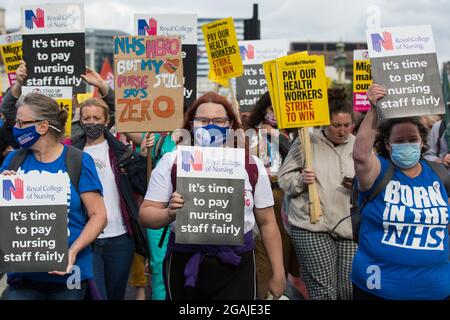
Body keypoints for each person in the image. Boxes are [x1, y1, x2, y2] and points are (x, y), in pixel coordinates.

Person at [139, 92, 286, 300]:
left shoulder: (251, 165)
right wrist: (169, 213)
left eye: (219, 120)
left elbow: (268, 222)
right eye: (203, 120)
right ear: (191, 124)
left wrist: (278, 273)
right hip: (183, 264)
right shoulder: (171, 162)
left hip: (238, 266)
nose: (211, 126)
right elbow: (146, 215)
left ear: (230, 125)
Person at [1, 93, 107, 300]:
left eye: (21, 123)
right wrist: (3, 189)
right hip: (23, 276)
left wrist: (73, 251)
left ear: (42, 127)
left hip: (70, 274)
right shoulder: (14, 160)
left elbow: (99, 215)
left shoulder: (78, 160)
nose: (16, 128)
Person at [351, 84, 450, 300]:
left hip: (436, 289)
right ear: (387, 144)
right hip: (377, 290)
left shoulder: (440, 174)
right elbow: (360, 155)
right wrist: (374, 110)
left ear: (422, 142)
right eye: (399, 141)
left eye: (412, 140)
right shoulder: (379, 172)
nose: (407, 145)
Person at [278, 87, 357, 300]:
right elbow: (284, 180)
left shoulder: (359, 145)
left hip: (348, 228)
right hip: (311, 226)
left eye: (347, 125)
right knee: (324, 293)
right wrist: (301, 181)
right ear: (325, 123)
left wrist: (359, 184)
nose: (342, 131)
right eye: (336, 125)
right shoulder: (306, 141)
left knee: (349, 290)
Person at [74, 97, 151, 300]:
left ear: (107, 121)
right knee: (96, 294)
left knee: (116, 294)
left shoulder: (122, 153)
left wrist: (143, 159)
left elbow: (142, 186)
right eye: (87, 118)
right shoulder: (71, 152)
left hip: (120, 238)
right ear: (80, 121)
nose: (91, 122)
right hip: (86, 238)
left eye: (97, 118)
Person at [246, 92, 299, 299]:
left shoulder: (294, 134)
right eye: (271, 109)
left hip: (284, 196)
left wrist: (278, 138)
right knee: (261, 246)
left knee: (283, 247)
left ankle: (280, 288)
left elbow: (298, 157)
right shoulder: (251, 133)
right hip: (261, 194)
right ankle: (262, 294)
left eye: (280, 109)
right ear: (263, 110)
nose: (275, 114)